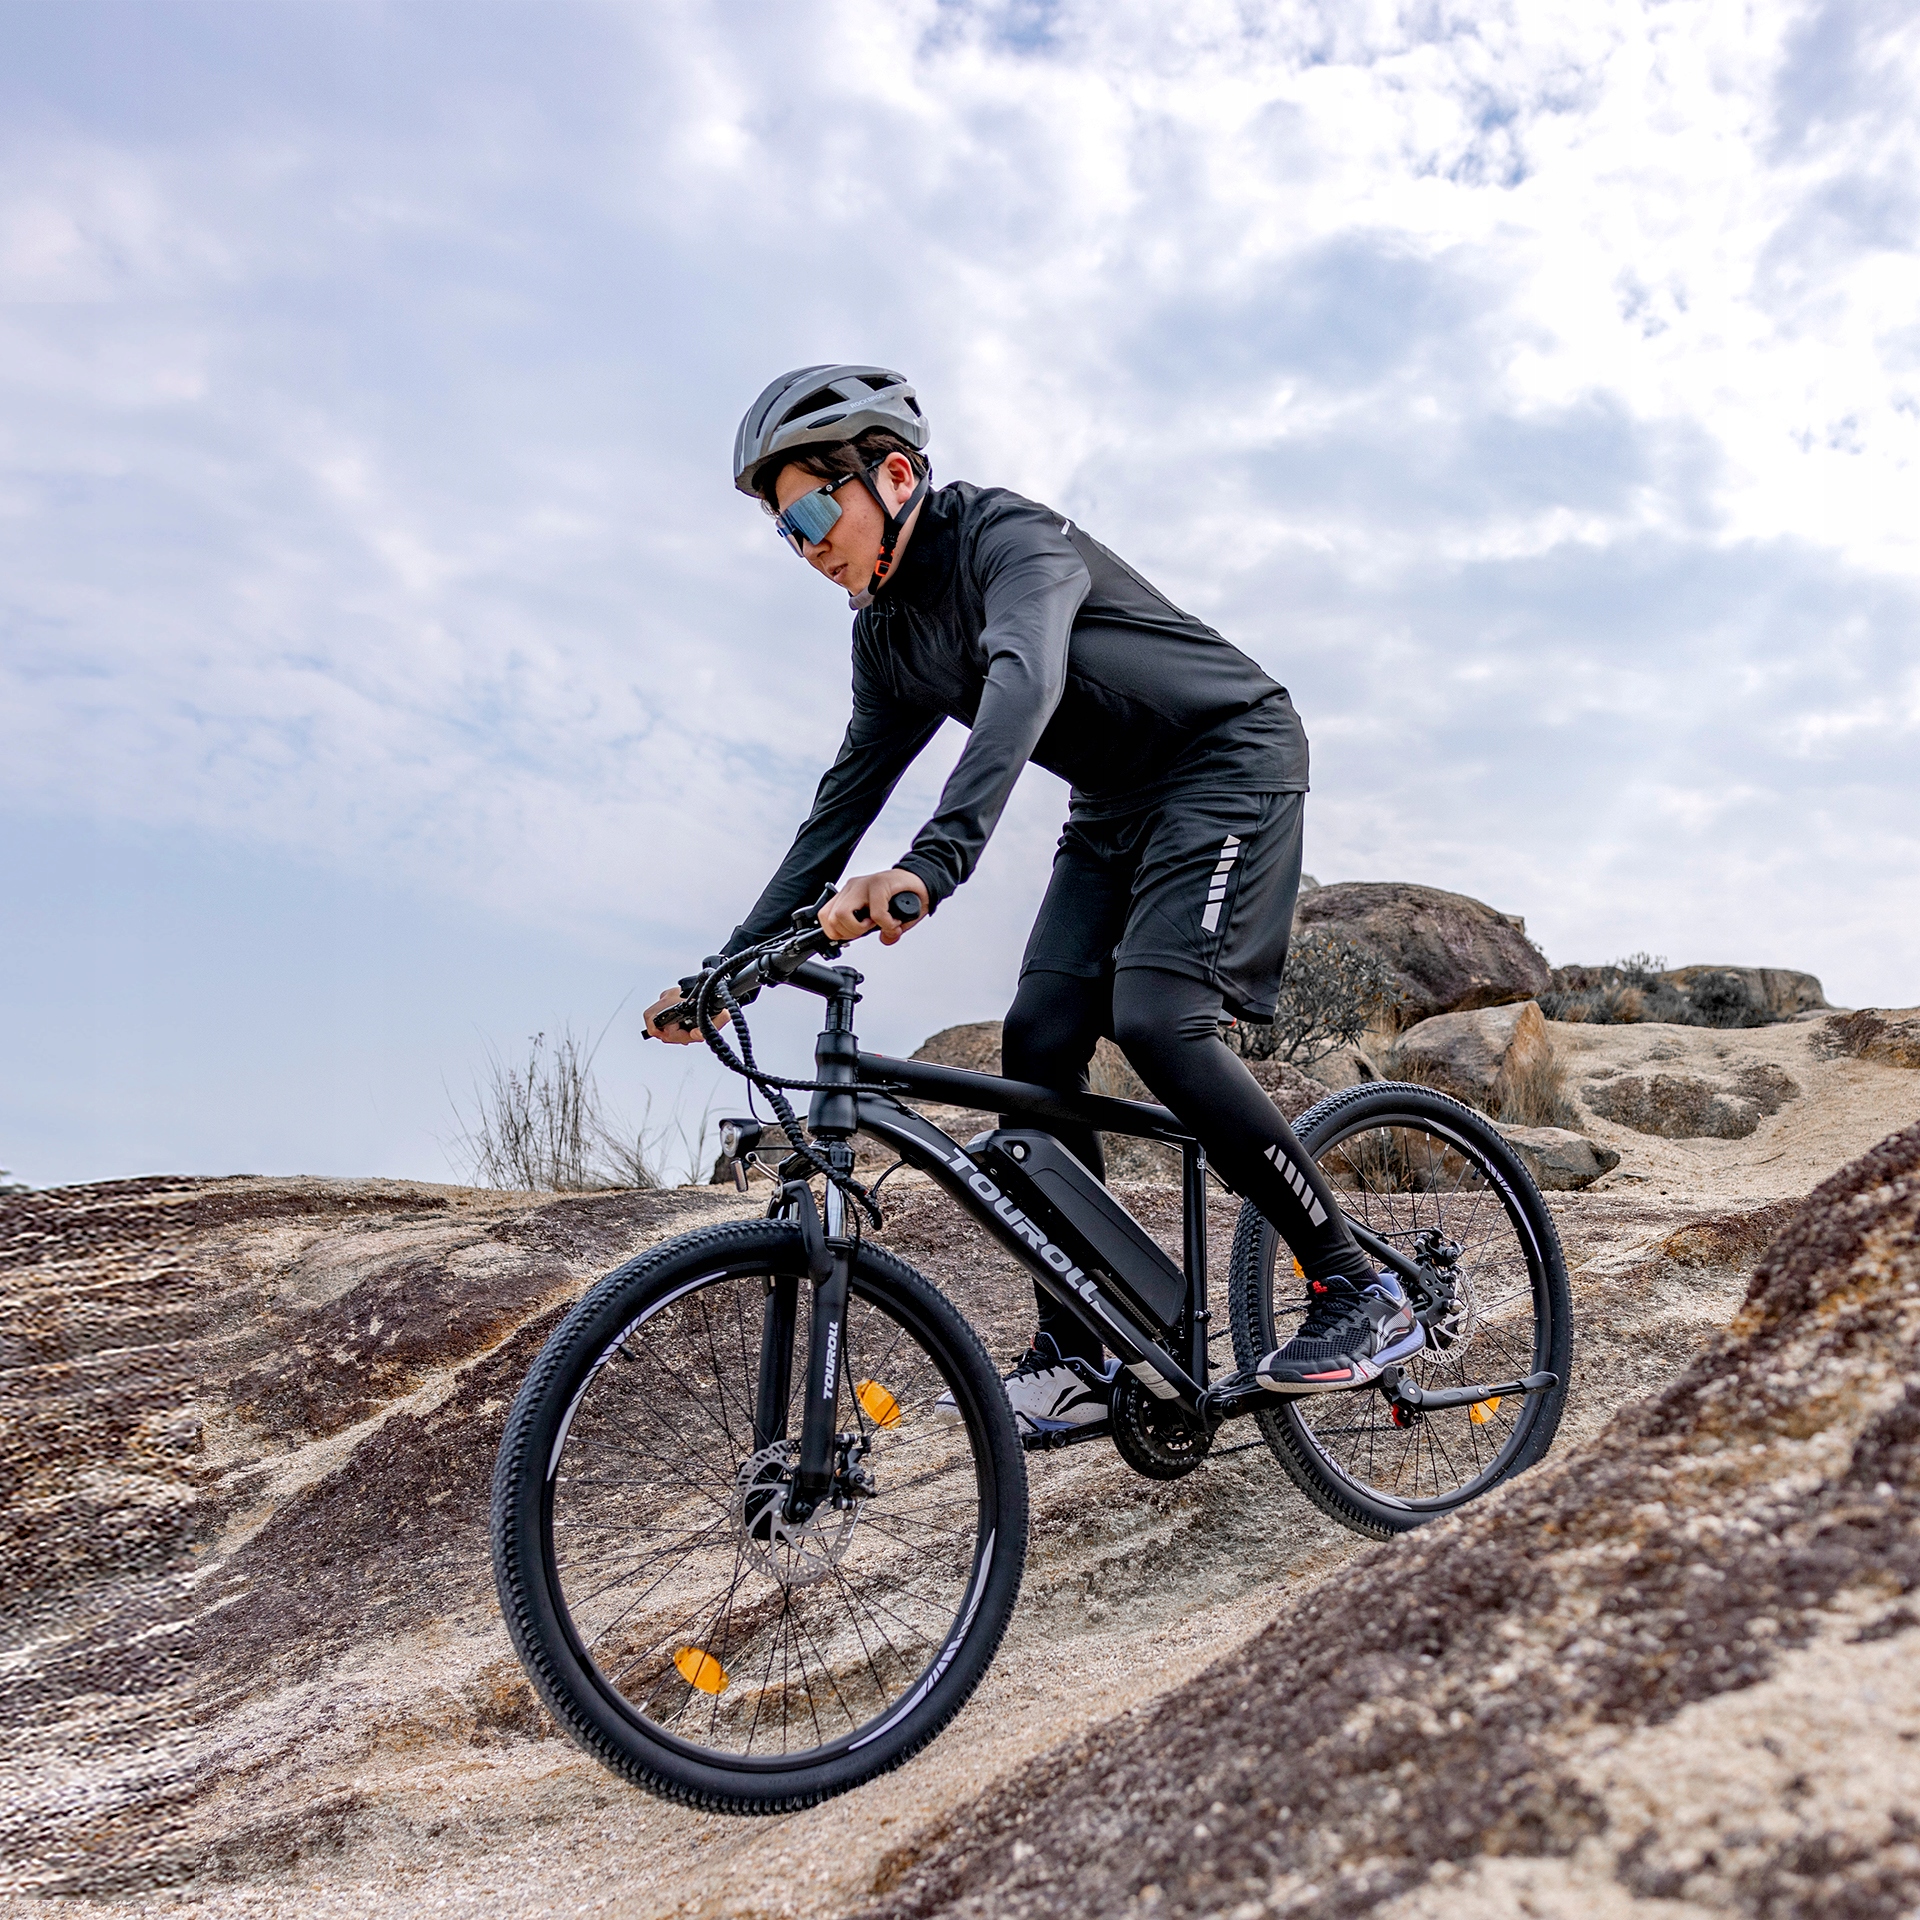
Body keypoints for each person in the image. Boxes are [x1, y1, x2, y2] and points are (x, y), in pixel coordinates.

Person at [645, 364, 1421, 1438]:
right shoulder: (887, 637)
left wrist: (934, 864)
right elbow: (841, 807)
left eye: (815, 513)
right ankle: (1083, 1343)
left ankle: (1358, 1287)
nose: (806, 545)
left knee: (1158, 1018)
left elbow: (1025, 681)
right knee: (1038, 1041)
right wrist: (729, 972)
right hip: (1113, 802)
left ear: (897, 475)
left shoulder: (1011, 542)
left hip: (1226, 758)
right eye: (785, 532)